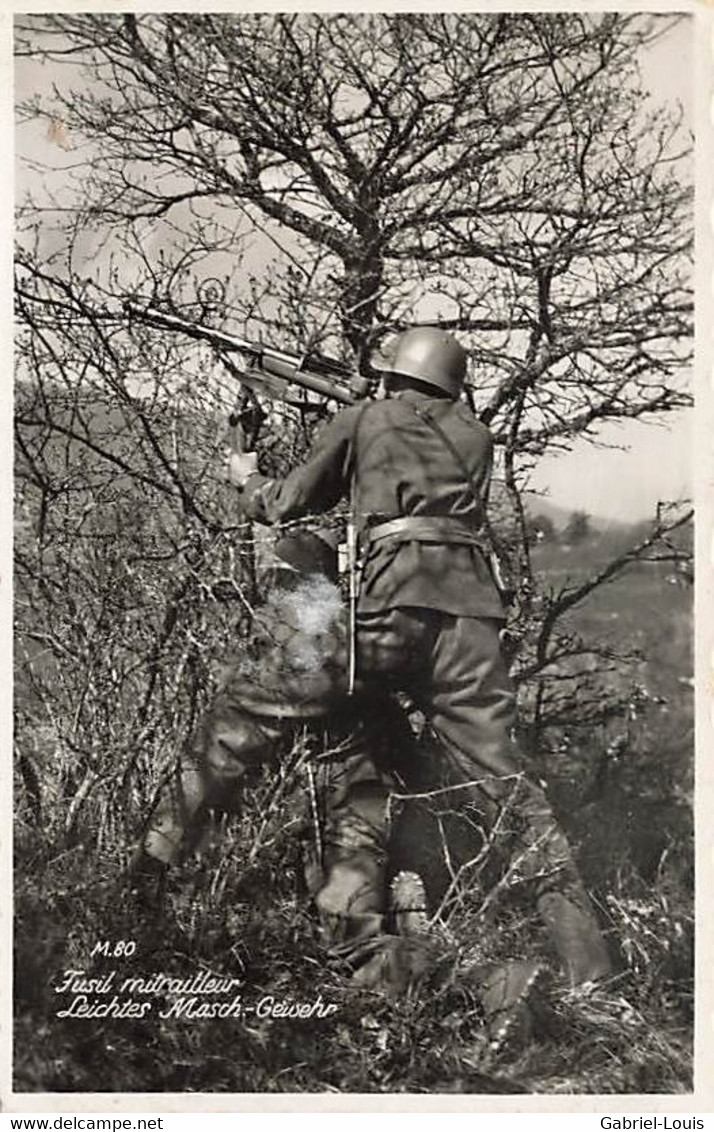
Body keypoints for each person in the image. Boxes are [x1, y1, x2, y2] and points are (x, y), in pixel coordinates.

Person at [227, 326, 612, 990]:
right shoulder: (474, 436)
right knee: (511, 794)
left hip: (390, 607)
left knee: (339, 740)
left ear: (394, 378)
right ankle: (592, 973)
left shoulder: (368, 416)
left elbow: (291, 503)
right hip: (469, 617)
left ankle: (359, 942)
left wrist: (248, 474)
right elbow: (413, 468)